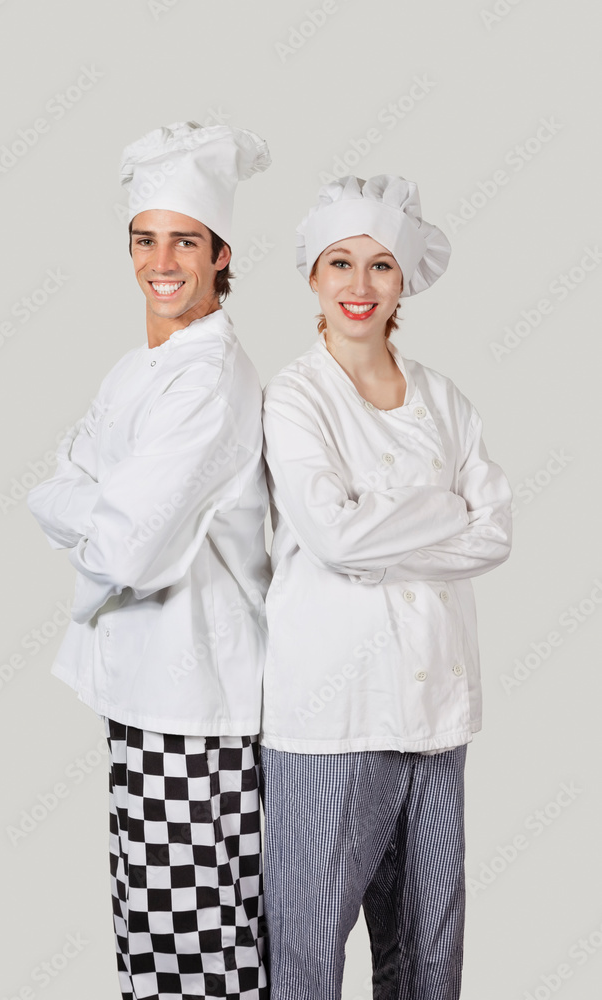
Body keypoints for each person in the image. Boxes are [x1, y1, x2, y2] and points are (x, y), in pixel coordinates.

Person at [28, 121, 271, 1000]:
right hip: (142, 697)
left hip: (196, 708)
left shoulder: (207, 380)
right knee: (148, 940)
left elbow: (127, 545)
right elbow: (51, 489)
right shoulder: (141, 367)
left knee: (202, 952)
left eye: (183, 241)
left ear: (219, 253)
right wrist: (94, 505)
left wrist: (88, 507)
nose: (160, 260)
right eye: (144, 239)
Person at [260, 174, 513, 999]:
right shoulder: (294, 399)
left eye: (379, 266)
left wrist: (385, 528)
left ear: (405, 279)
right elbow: (332, 537)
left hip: (437, 714)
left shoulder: (444, 399)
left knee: (428, 957)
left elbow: (495, 532)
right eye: (339, 263)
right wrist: (442, 507)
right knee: (307, 954)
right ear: (311, 277)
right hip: (331, 719)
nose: (358, 286)